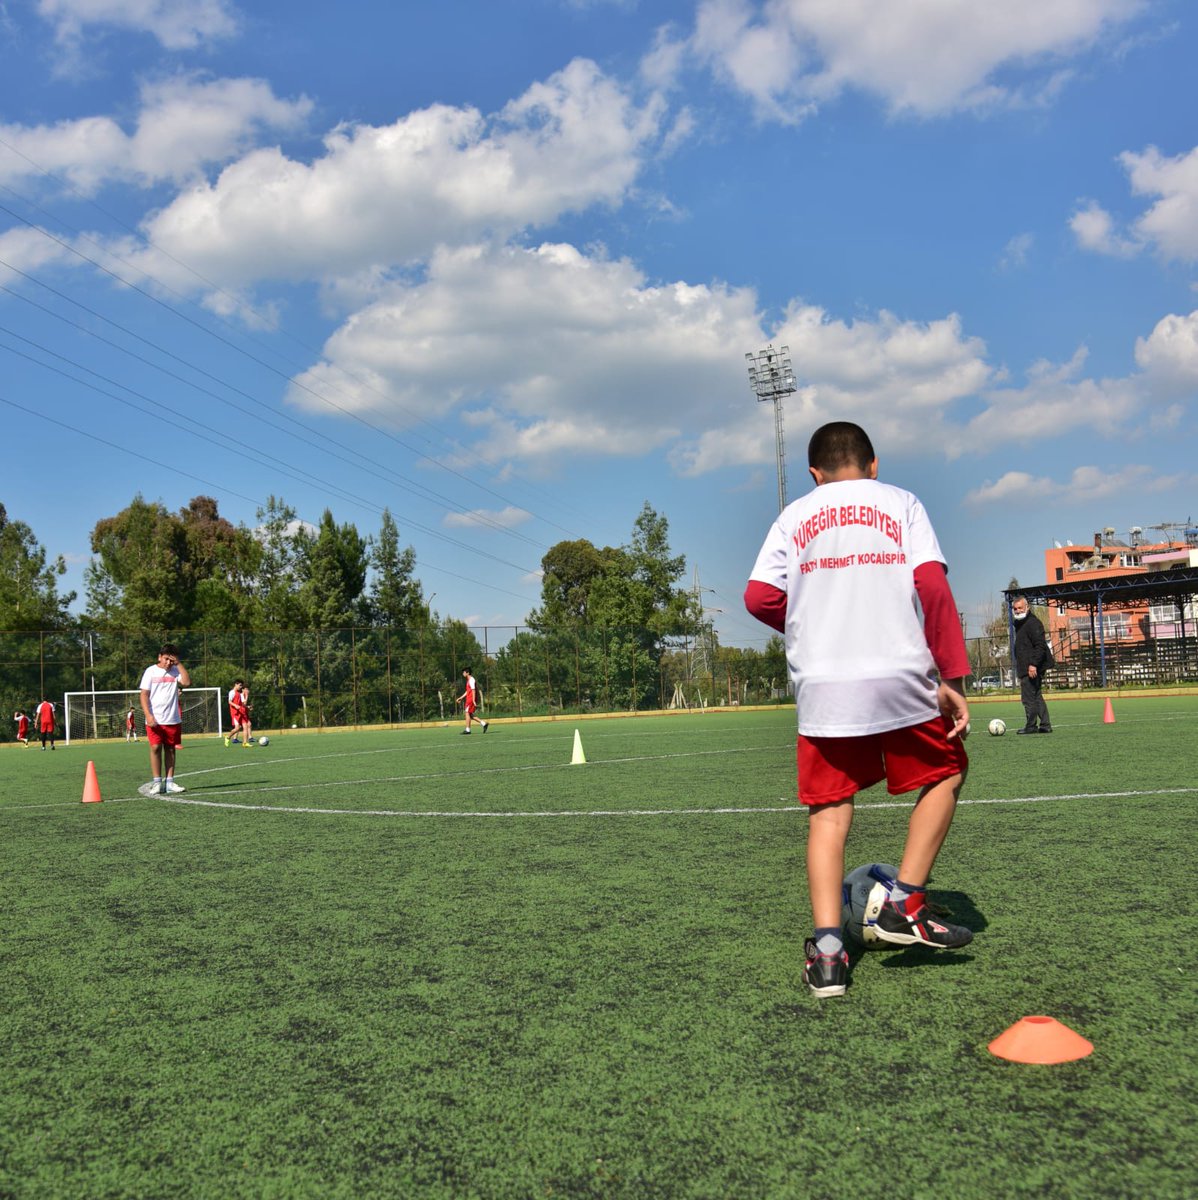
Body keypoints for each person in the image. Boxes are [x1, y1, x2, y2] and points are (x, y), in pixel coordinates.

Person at [744, 421, 973, 1000]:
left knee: (829, 809)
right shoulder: (902, 503)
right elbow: (932, 586)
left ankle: (827, 956)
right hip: (898, 672)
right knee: (947, 770)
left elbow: (758, 597)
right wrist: (951, 674)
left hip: (824, 682)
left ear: (815, 474)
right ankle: (904, 904)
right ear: (873, 465)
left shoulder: (794, 516)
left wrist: (809, 619)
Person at [139, 644, 191, 794]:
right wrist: (148, 715)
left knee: (170, 749)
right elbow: (143, 695)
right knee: (155, 748)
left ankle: (169, 782)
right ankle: (157, 782)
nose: (168, 662)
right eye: (166, 659)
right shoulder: (150, 671)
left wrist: (179, 664)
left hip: (172, 718)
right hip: (155, 719)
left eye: (171, 660)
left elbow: (186, 683)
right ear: (159, 657)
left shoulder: (175, 671)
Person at [1012, 596, 1053, 734]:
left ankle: (1031, 726)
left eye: (1020, 608)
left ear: (1027, 607)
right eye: (1015, 608)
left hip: (1032, 667)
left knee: (1028, 697)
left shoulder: (1033, 623)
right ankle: (1045, 725)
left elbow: (1040, 646)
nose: (1017, 611)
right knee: (1036, 695)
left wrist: (1033, 665)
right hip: (1026, 666)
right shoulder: (1020, 623)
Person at [456, 668, 489, 734]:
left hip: (471, 699)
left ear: (467, 673)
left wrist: (473, 700)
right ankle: (484, 723)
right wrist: (461, 698)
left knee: (467, 713)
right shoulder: (468, 680)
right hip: (469, 699)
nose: (463, 674)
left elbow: (473, 690)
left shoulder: (471, 680)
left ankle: (468, 730)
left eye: (464, 672)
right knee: (470, 715)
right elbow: (468, 691)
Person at [225, 681, 252, 747]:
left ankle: (245, 743)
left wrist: (247, 707)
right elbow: (229, 701)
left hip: (241, 712)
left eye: (241, 686)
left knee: (245, 726)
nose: (240, 687)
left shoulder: (240, 694)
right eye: (240, 685)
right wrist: (235, 705)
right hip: (235, 713)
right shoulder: (232, 692)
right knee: (237, 728)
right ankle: (228, 737)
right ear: (236, 684)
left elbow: (244, 704)